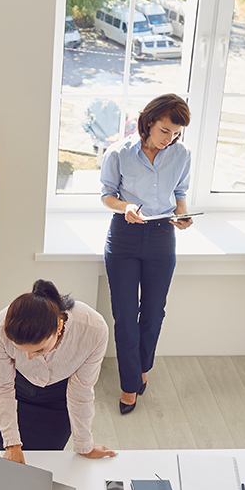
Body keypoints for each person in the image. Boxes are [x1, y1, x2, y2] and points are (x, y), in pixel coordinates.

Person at [100, 93, 194, 415]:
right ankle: (129, 385)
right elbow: (107, 196)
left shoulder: (181, 155)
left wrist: (182, 215)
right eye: (165, 131)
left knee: (153, 313)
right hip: (124, 235)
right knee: (126, 317)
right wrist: (126, 207)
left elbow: (179, 192)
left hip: (161, 236)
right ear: (149, 122)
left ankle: (142, 368)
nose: (169, 139)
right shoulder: (119, 153)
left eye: (176, 134)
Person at [0, 279, 116, 464]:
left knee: (44, 462)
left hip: (58, 397)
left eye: (38, 350)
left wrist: (84, 445)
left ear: (58, 326)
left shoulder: (93, 330)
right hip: (15, 388)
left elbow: (81, 392)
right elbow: (2, 387)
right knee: (10, 462)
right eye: (22, 350)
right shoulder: (0, 328)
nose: (29, 358)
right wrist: (11, 444)